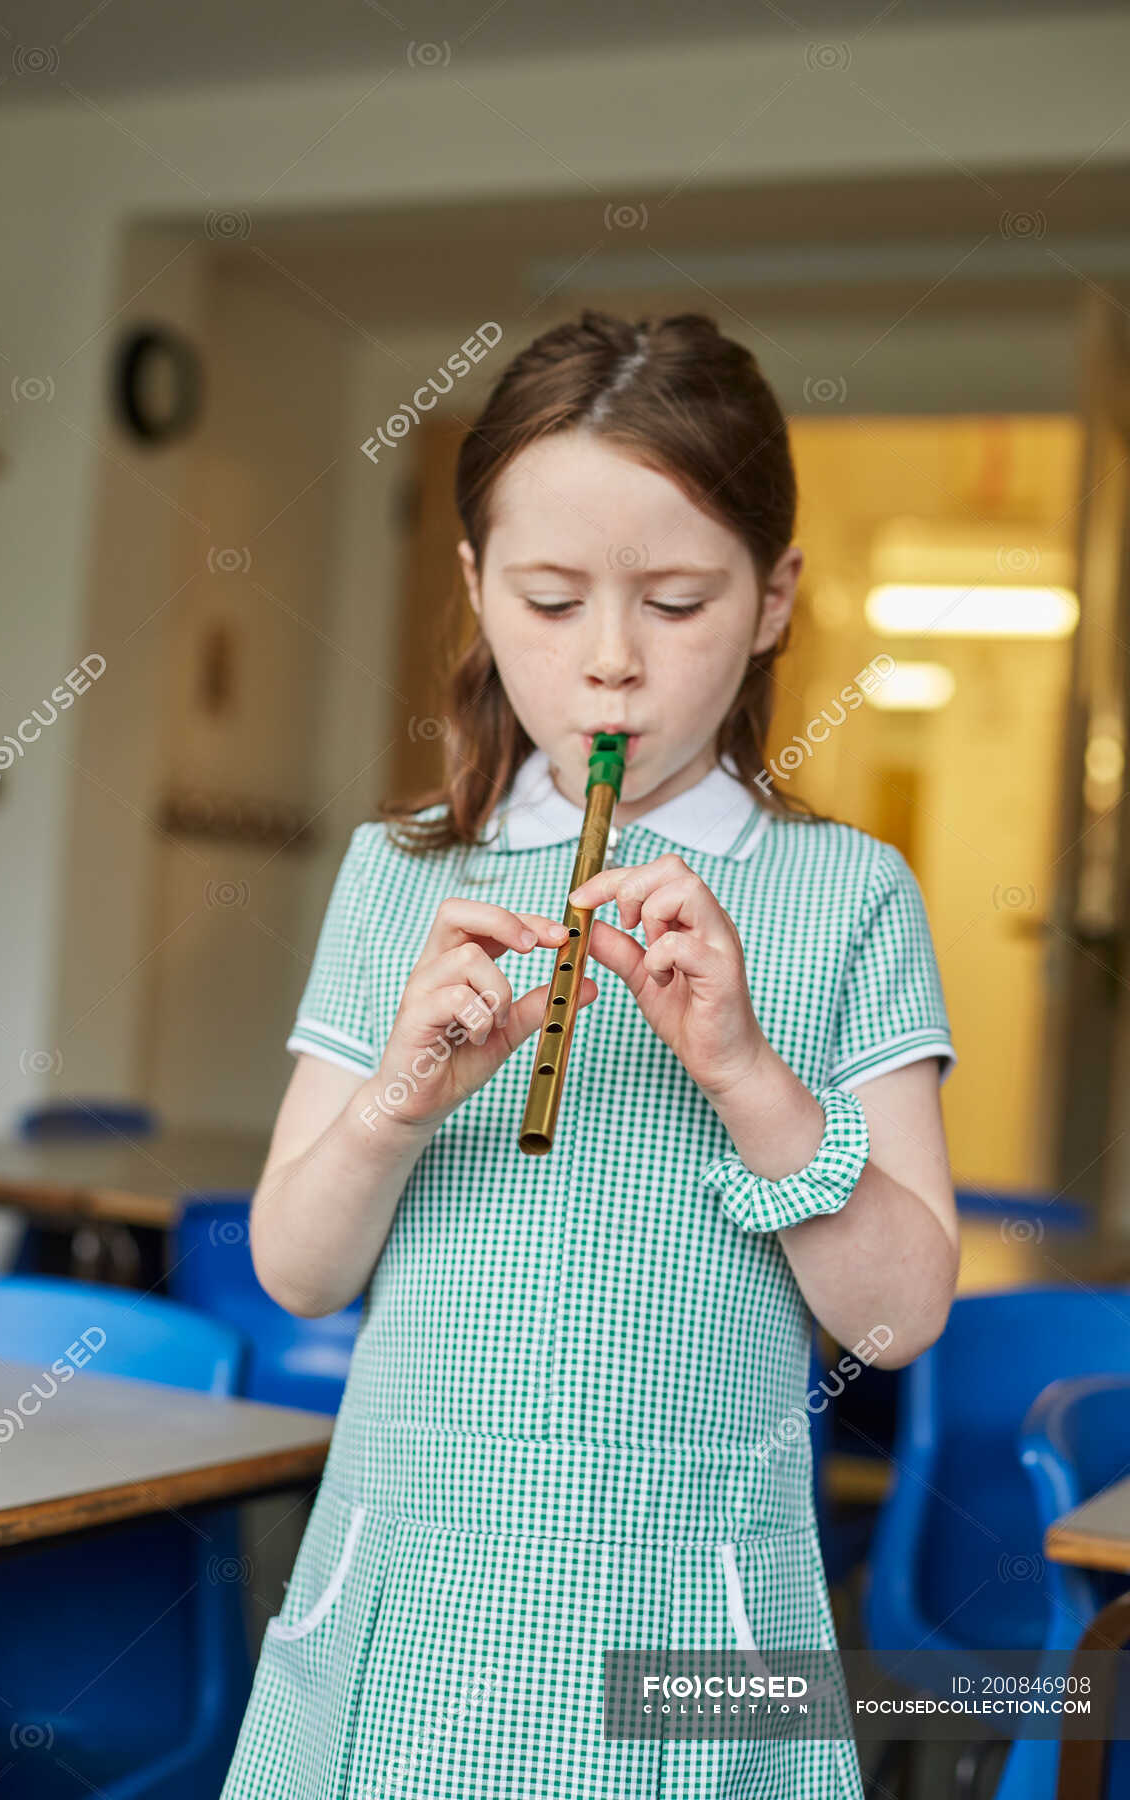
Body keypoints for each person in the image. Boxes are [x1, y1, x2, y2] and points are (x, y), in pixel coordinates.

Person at [219, 309, 958, 1799]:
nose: (610, 667)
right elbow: (298, 1270)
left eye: (677, 601)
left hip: (696, 1624)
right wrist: (395, 1105)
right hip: (413, 1596)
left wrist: (748, 1070)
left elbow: (897, 1319)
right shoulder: (396, 878)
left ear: (772, 602)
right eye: (552, 601)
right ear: (479, 589)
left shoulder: (848, 894)